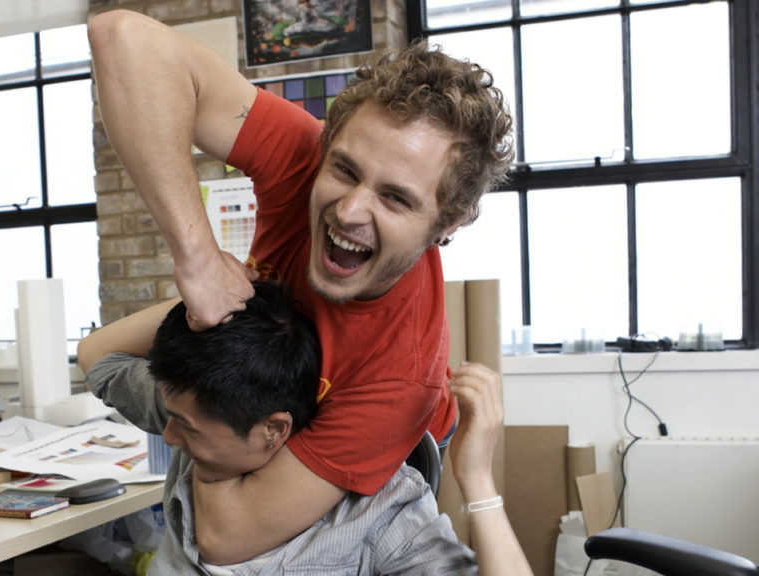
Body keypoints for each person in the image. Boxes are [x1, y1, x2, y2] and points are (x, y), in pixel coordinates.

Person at [89, 8, 514, 564]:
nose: (350, 209)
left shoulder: (399, 377)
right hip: (260, 396)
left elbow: (226, 537)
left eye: (396, 198)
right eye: (344, 170)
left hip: (373, 462)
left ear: (446, 223)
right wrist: (198, 259)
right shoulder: (306, 160)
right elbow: (120, 37)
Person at [77, 281, 531, 575]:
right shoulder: (199, 406)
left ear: (273, 430)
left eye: (186, 429)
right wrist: (217, 286)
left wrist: (477, 480)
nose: (169, 436)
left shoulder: (377, 507)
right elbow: (98, 354)